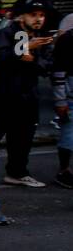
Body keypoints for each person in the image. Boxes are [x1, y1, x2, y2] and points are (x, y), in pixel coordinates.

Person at [0, 3, 51, 188]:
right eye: (33, 15)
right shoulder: (6, 34)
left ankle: (17, 172)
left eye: (41, 15)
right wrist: (23, 48)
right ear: (21, 17)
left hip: (27, 96)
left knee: (23, 138)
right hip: (3, 96)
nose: (38, 19)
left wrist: (33, 57)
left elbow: (47, 65)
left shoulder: (41, 38)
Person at [54, 25, 73, 189]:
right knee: (69, 131)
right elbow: (59, 71)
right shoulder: (67, 39)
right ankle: (64, 170)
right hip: (70, 89)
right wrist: (60, 100)